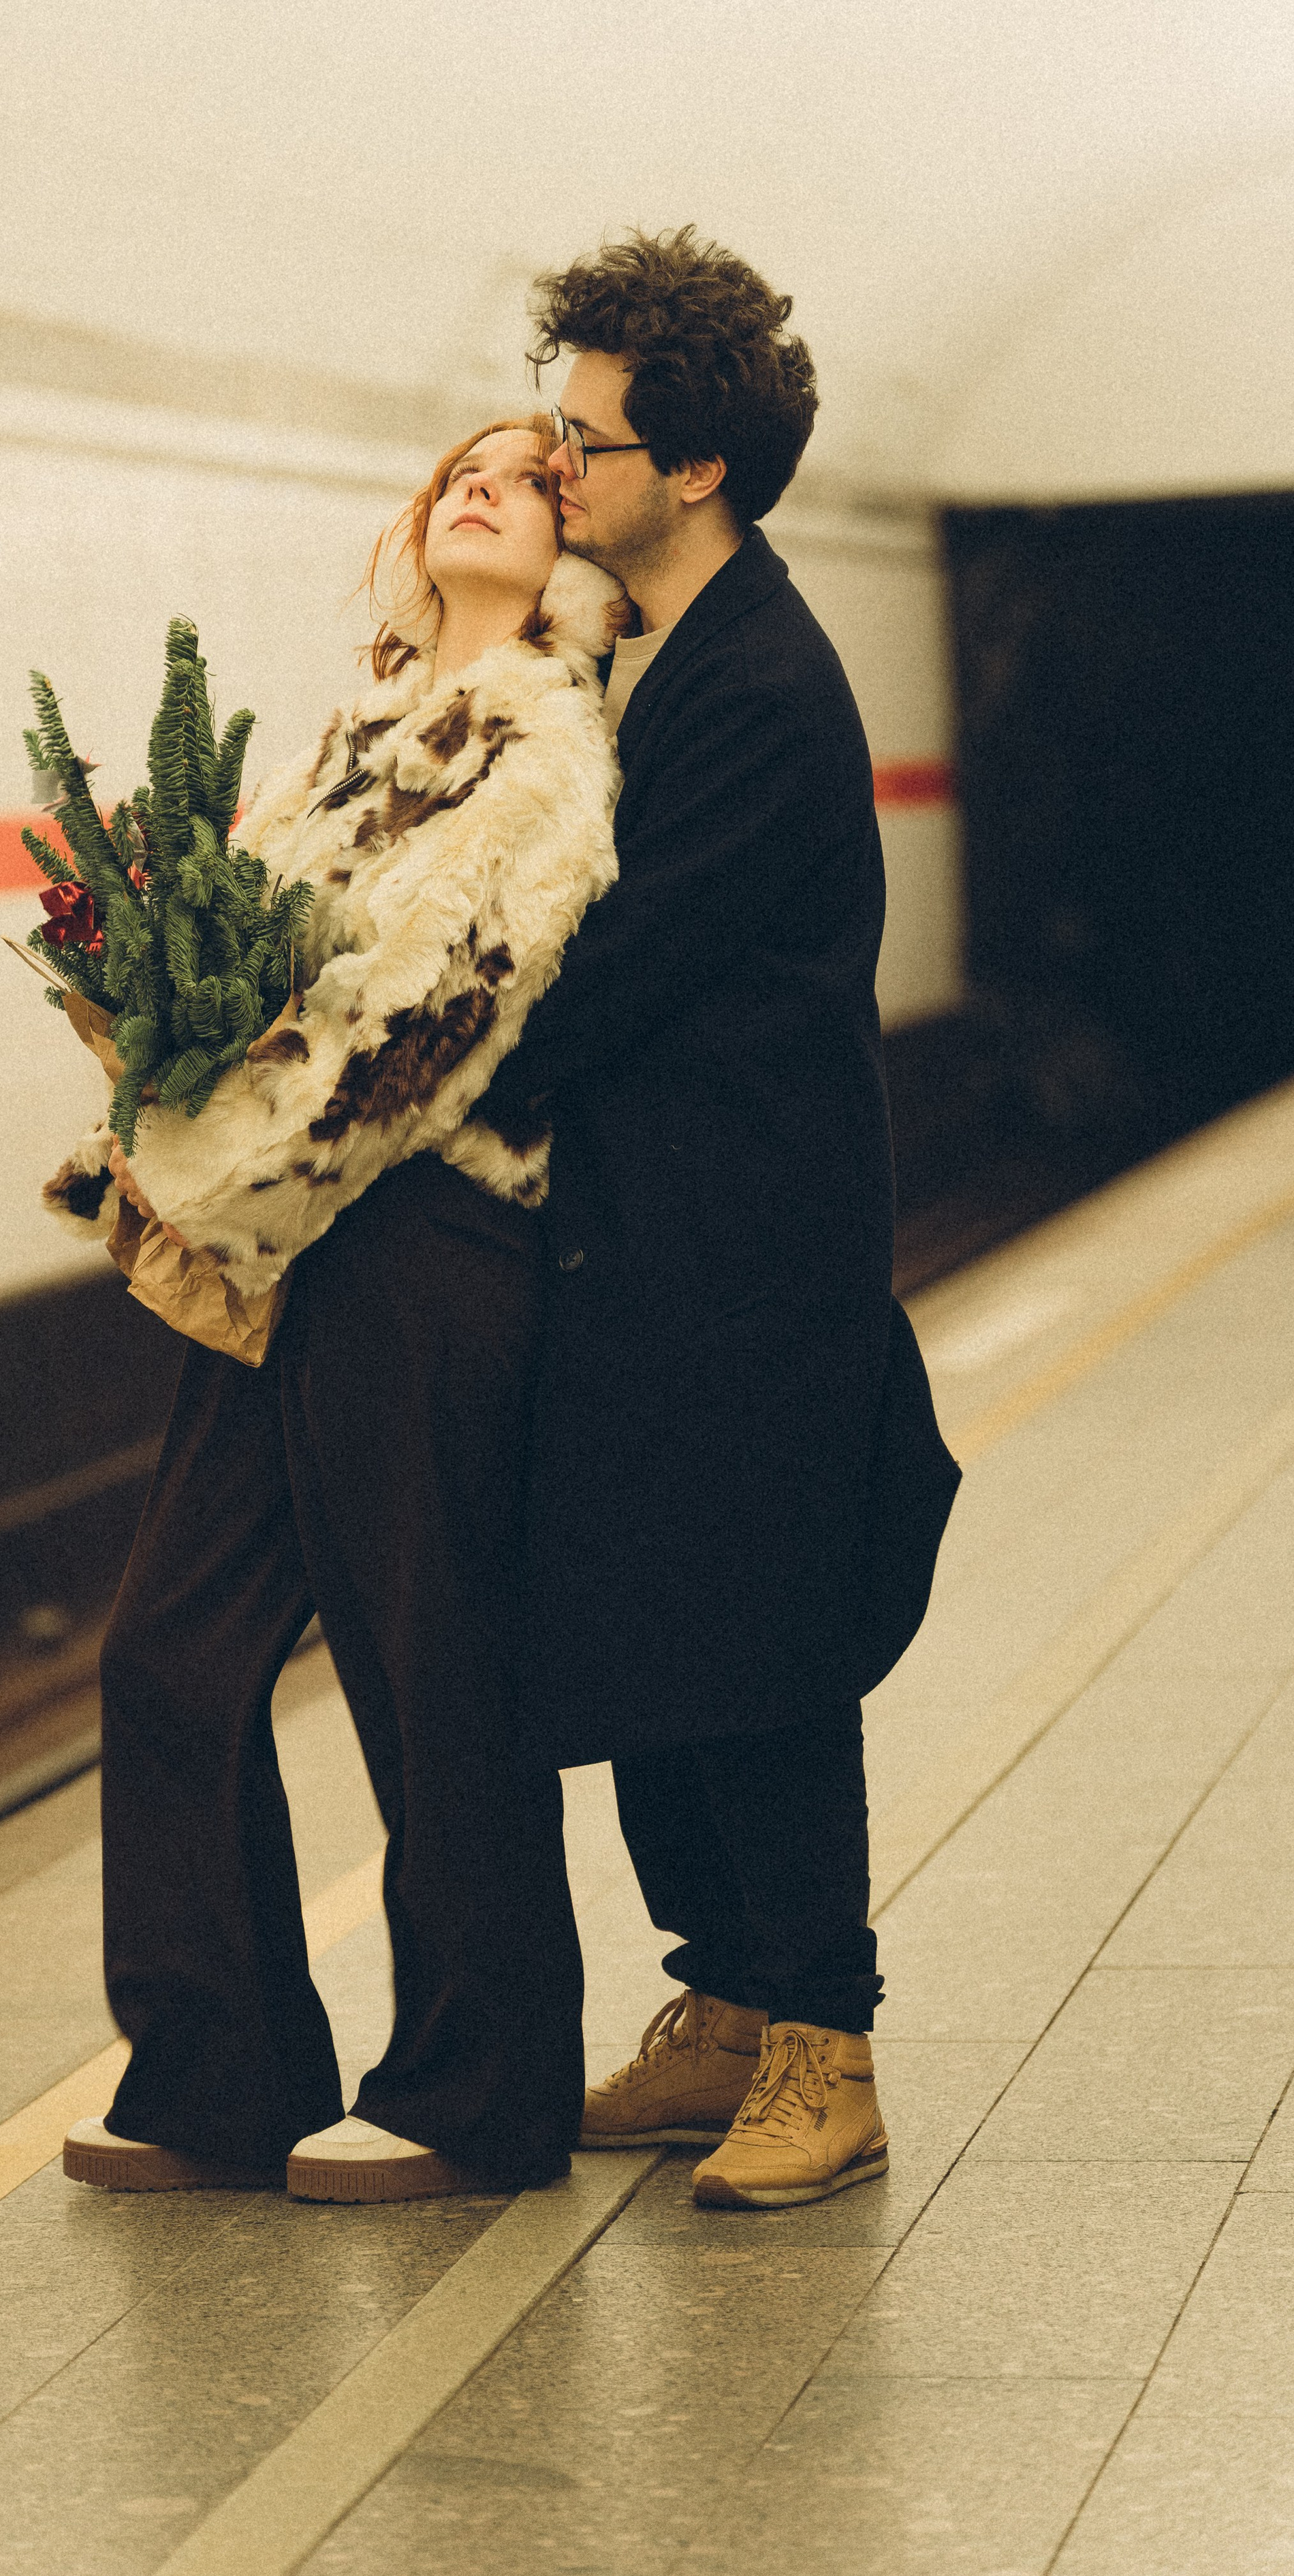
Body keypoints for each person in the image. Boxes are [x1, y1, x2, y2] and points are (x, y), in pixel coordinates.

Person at [57, 417, 627, 2202]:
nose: (482, 485)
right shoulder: (346, 741)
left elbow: (425, 1020)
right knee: (167, 1651)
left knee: (424, 1664)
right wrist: (151, 1094)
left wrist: (210, 1177)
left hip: (422, 1243)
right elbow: (241, 977)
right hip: (282, 1247)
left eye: (530, 479)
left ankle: (483, 2092)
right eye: (458, 469)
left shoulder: (544, 748)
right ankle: (216, 2072)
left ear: (577, 546)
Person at [499, 227, 960, 2210]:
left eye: (584, 436)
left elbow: (622, 968)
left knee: (760, 1650)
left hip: (750, 1261)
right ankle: (720, 2012)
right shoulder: (667, 649)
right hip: (651, 1250)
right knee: (654, 1633)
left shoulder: (763, 679)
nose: (554, 462)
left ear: (691, 466)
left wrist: (429, 1032)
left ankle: (825, 2049)